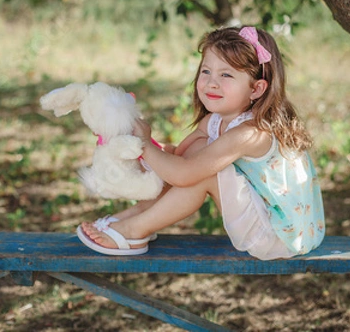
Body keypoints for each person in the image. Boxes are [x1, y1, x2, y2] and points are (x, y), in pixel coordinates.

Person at [77, 26, 325, 260]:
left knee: (205, 173)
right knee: (194, 156)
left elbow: (185, 174)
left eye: (226, 74)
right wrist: (131, 141)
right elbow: (177, 155)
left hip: (279, 235)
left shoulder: (251, 133)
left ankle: (134, 230)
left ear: (256, 89)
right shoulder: (214, 122)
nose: (212, 82)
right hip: (264, 216)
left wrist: (145, 144)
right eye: (206, 71)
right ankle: (138, 215)